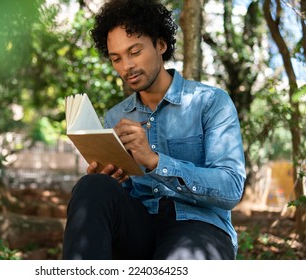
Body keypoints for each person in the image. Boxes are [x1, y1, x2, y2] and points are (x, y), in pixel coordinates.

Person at [62, 0, 246, 260]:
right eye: (117, 58)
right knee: (92, 186)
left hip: (198, 226)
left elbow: (230, 188)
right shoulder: (116, 116)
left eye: (134, 52)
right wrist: (111, 178)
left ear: (160, 45)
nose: (126, 66)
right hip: (139, 225)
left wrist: (155, 161)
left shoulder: (210, 102)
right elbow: (119, 200)